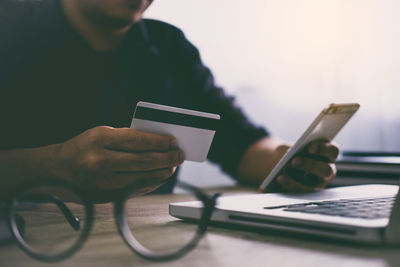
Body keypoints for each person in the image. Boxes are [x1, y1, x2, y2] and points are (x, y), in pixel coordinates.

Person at [0, 0, 339, 202]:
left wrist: (288, 162)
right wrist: (55, 165)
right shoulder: (8, 26)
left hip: (153, 243)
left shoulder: (169, 47)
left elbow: (242, 144)